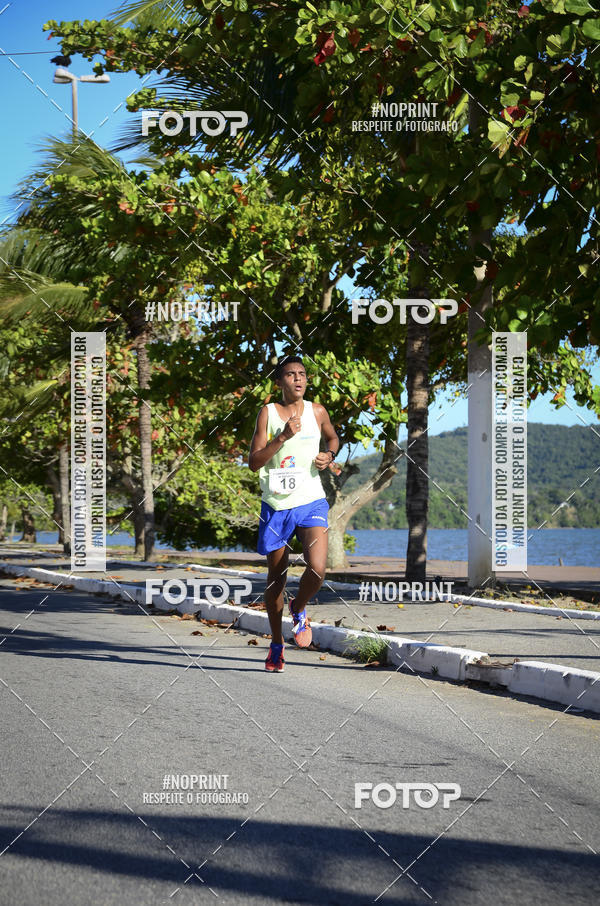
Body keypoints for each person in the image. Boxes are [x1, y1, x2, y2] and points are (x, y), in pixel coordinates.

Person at [249, 355, 339, 672]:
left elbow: (333, 436)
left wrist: (329, 454)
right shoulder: (268, 413)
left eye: (302, 374)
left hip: (311, 499)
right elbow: (255, 461)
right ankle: (276, 644)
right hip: (276, 504)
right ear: (279, 382)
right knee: (276, 579)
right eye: (291, 374)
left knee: (317, 569)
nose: (298, 379)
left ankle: (298, 607)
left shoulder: (317, 411)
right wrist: (283, 437)